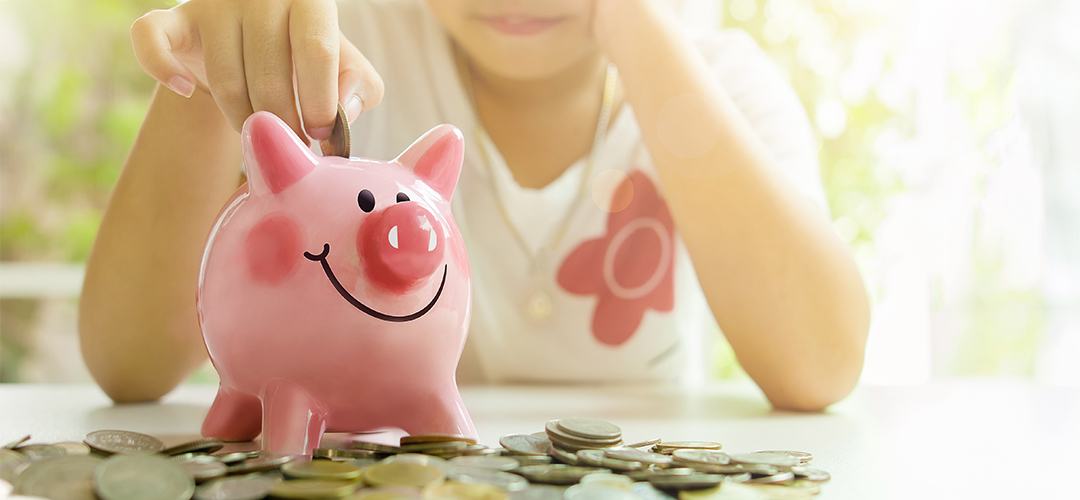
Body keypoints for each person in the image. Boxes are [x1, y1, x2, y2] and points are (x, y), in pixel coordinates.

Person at [78, 0, 870, 411]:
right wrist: (220, 70)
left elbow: (819, 365)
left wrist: (637, 24)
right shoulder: (338, 53)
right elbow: (132, 363)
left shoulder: (718, 82)